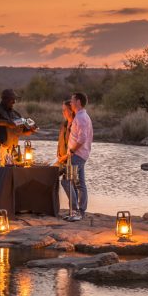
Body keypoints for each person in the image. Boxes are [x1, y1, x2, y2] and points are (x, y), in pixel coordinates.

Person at [0, 89, 36, 166]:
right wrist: (7, 123)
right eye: (12, 99)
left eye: (15, 99)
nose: (14, 102)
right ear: (4, 99)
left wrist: (31, 130)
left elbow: (23, 131)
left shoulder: (16, 114)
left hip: (11, 150)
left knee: (9, 173)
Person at [65, 92, 93, 221]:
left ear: (78, 102)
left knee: (66, 181)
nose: (70, 103)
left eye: (72, 101)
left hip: (77, 154)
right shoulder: (82, 116)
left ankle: (76, 211)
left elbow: (82, 138)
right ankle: (79, 211)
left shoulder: (81, 118)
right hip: (82, 154)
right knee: (80, 183)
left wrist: (72, 151)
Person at [56, 100, 75, 213]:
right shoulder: (64, 124)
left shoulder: (75, 125)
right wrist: (58, 153)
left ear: (71, 110)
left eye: (65, 110)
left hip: (70, 158)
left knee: (68, 182)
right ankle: (68, 208)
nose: (63, 112)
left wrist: (66, 156)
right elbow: (60, 141)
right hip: (61, 158)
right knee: (54, 176)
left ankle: (73, 209)